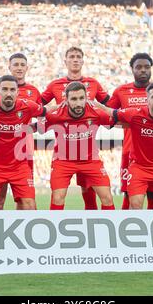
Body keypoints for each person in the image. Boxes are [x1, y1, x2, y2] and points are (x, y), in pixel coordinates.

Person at [39, 46, 110, 210]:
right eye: (72, 56)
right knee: (58, 196)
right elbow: (38, 108)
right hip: (64, 152)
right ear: (65, 61)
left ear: (83, 60)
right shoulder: (55, 85)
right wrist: (52, 110)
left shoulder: (93, 83)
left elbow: (111, 107)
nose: (75, 59)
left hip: (88, 151)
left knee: (90, 191)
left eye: (79, 56)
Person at [107, 53, 153, 210]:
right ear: (132, 69)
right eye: (138, 67)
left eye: (147, 67)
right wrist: (128, 124)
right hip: (131, 153)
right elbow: (108, 118)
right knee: (129, 194)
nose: (143, 70)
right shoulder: (121, 91)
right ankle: (127, 230)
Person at [0, 75, 49, 210]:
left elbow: (47, 114)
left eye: (12, 90)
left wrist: (31, 128)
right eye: (5, 89)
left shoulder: (27, 106)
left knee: (30, 206)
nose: (9, 93)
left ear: (17, 93)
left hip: (19, 167)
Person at [0, 53, 41, 210]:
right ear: (9, 67)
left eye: (22, 65)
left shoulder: (34, 91)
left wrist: (29, 129)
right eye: (15, 64)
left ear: (27, 68)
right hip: (0, 151)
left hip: (24, 151)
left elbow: (43, 117)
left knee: (24, 200)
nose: (19, 68)